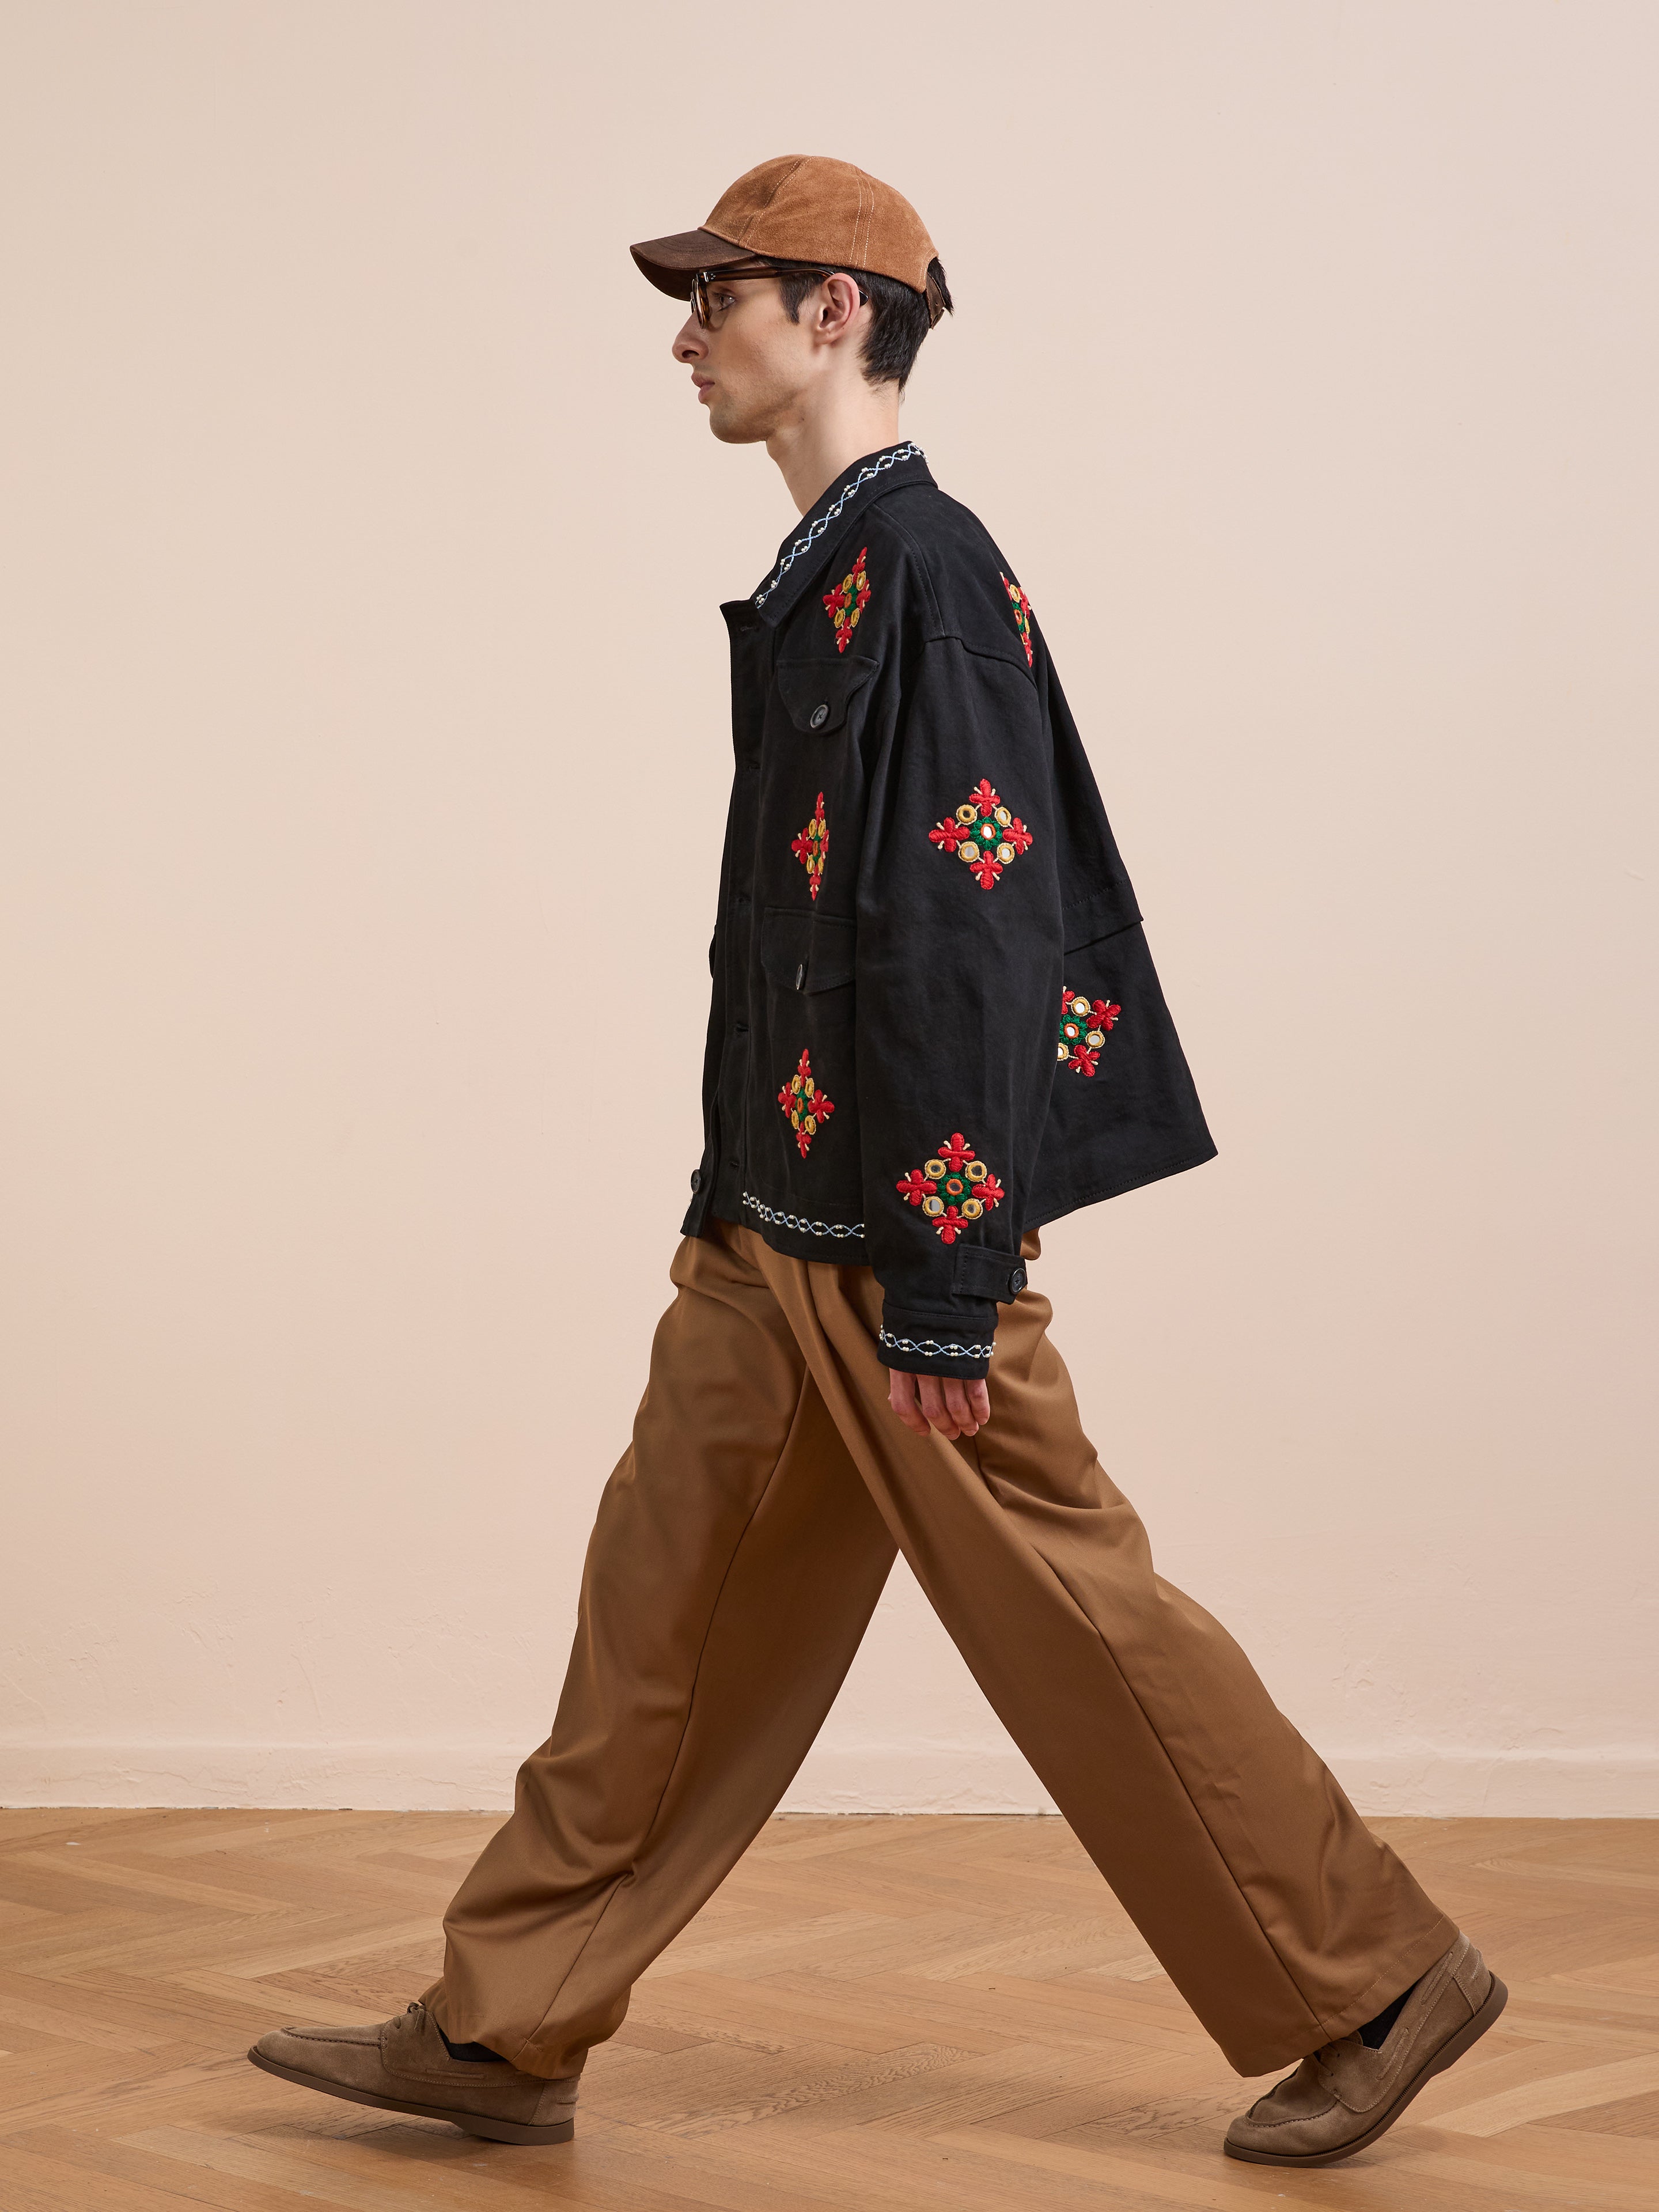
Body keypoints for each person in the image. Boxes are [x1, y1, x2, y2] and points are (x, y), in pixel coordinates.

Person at [249, 155, 1506, 2170]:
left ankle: (1375, 1979)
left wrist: (946, 1278)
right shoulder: (833, 569)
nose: (686, 337)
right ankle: (507, 2025)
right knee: (655, 1616)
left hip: (897, 1242)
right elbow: (798, 931)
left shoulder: (925, 569)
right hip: (772, 1226)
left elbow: (971, 932)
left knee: (1077, 1620)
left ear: (834, 313)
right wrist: (722, 1186)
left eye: (718, 297)